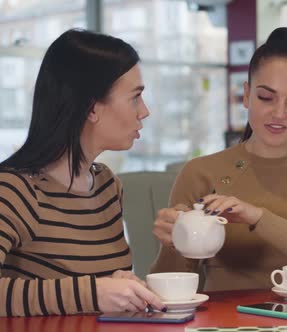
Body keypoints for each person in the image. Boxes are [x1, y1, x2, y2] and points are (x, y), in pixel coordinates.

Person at [151, 27, 287, 291]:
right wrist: (173, 240)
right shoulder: (201, 172)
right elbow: (168, 290)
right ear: (246, 95)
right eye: (265, 97)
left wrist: (258, 218)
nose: (279, 113)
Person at [0, 29, 165, 317]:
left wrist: (119, 287)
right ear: (91, 107)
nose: (145, 111)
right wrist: (93, 293)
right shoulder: (16, 189)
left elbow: (98, 290)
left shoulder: (106, 185)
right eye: (135, 98)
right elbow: (90, 294)